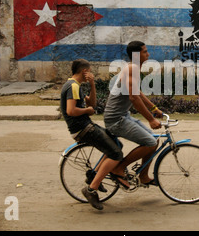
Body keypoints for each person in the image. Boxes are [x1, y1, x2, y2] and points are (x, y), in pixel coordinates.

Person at [60, 59, 123, 210]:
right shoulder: (72, 86)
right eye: (90, 71)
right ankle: (91, 189)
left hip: (86, 126)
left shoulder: (77, 86)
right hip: (82, 129)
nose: (91, 73)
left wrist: (92, 85)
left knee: (117, 143)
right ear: (84, 72)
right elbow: (71, 111)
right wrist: (87, 111)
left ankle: (95, 175)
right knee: (116, 153)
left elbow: (92, 104)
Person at [104, 41, 163, 187]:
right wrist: (151, 119)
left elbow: (138, 93)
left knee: (154, 141)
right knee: (150, 143)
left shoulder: (132, 68)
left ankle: (143, 176)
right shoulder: (132, 68)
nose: (148, 54)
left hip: (123, 116)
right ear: (137, 55)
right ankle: (119, 168)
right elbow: (133, 98)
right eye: (145, 51)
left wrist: (154, 108)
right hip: (116, 120)